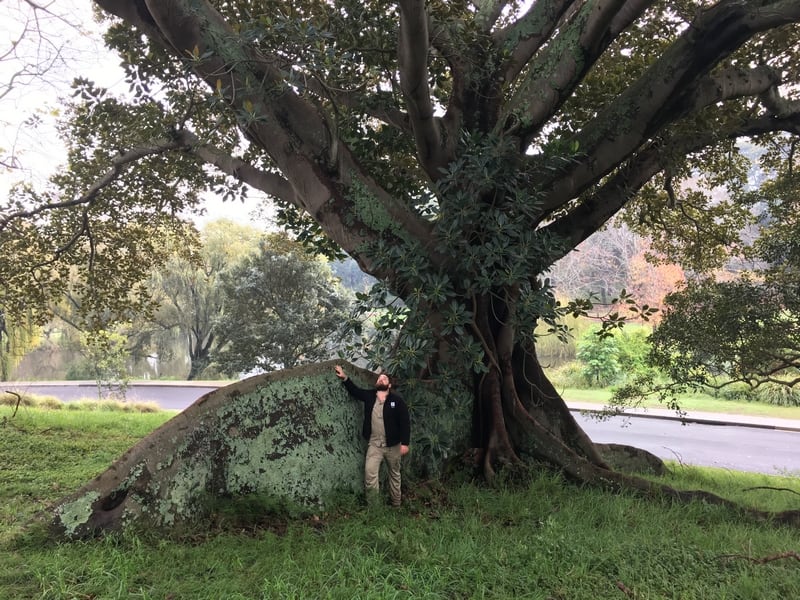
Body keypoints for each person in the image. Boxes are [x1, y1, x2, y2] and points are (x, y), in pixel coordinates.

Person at [335, 364, 410, 507]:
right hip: (375, 445)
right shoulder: (369, 396)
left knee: (394, 474)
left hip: (393, 445)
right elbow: (355, 391)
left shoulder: (397, 401)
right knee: (370, 474)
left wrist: (405, 443)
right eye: (379, 378)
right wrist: (345, 377)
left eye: (384, 379)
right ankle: (374, 508)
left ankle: (396, 504)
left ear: (389, 385)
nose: (381, 380)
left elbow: (405, 422)